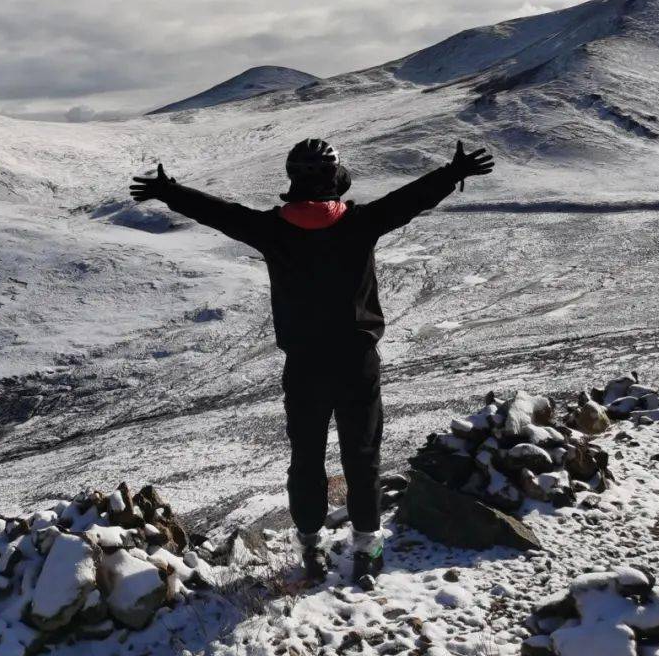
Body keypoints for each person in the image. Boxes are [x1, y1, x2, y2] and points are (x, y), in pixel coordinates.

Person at [129, 136, 494, 585]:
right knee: (363, 458)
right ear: (336, 177)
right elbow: (409, 200)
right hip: (357, 362)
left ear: (292, 180)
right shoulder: (360, 223)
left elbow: (220, 213)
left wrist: (169, 191)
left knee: (306, 460)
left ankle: (311, 551)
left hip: (304, 367)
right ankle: (367, 550)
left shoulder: (272, 229)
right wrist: (453, 172)